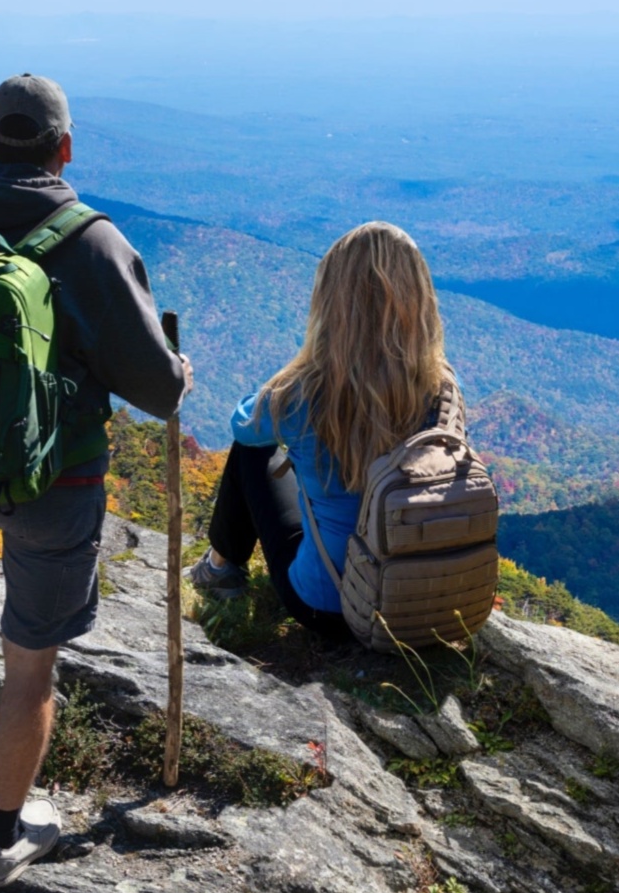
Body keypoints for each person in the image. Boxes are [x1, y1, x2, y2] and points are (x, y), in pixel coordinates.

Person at [0, 74, 190, 889]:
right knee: (34, 670)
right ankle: (2, 839)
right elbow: (158, 390)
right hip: (61, 483)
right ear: (65, 148)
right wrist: (177, 368)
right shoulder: (92, 243)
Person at [189, 221, 451, 639]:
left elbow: (243, 426)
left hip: (328, 605)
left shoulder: (307, 390)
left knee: (253, 453)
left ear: (332, 301)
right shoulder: (440, 387)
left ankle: (220, 570)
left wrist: (296, 370)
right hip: (418, 603)